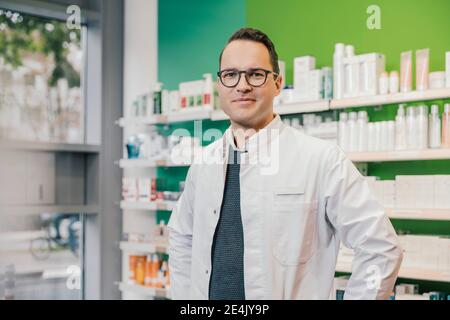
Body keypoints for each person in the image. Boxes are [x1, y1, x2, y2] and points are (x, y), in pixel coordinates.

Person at [168, 27, 403, 300]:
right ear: (220, 86)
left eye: (255, 74)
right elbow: (182, 238)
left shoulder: (321, 159)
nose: (242, 85)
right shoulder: (203, 164)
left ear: (277, 83)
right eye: (230, 75)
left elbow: (381, 248)